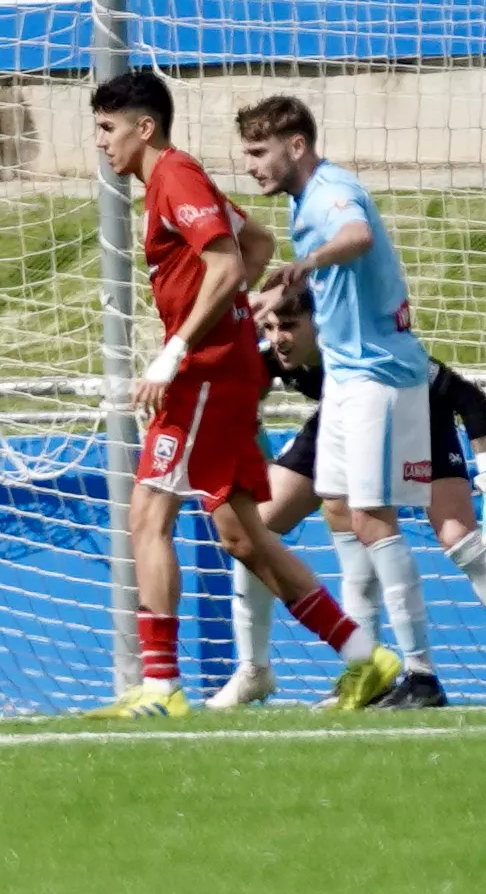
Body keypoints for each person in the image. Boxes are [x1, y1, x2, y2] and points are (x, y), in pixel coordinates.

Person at [78, 73, 395, 718]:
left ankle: (161, 688)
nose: (102, 144)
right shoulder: (172, 181)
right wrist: (233, 313)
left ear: (145, 127)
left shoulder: (174, 176)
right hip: (218, 368)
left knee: (148, 516)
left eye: (109, 129)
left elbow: (225, 262)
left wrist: (177, 348)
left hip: (203, 375)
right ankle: (366, 655)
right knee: (243, 536)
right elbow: (257, 244)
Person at [230, 282, 486, 708]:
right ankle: (261, 670)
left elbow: (469, 397)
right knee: (255, 530)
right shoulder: (274, 358)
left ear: (323, 322)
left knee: (459, 540)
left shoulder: (371, 353)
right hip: (342, 419)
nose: (276, 337)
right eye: (267, 327)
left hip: (418, 416)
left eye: (288, 325)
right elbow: (241, 394)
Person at [235, 95, 439, 710]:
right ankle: (368, 670)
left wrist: (308, 264)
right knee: (340, 514)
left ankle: (422, 677)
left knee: (375, 520)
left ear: (295, 146)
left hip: (379, 376)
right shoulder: (306, 200)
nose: (250, 165)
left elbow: (355, 235)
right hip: (352, 379)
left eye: (258, 151)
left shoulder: (331, 191)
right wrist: (281, 296)